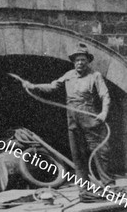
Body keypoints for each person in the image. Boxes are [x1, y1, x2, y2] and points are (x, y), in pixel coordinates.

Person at [21, 42, 113, 202]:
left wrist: (104, 112)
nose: (80, 63)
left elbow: (105, 95)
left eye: (83, 59)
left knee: (100, 152)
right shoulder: (68, 75)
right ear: (73, 62)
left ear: (88, 61)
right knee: (78, 155)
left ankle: (108, 186)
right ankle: (84, 190)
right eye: (77, 60)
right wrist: (33, 86)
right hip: (72, 119)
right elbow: (52, 86)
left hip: (89, 116)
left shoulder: (95, 76)